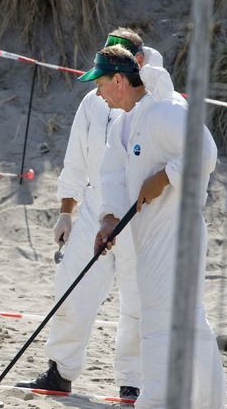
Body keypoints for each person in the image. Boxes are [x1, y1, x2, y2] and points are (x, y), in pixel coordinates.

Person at [15, 29, 161, 400]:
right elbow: (76, 158)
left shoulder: (156, 101)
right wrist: (67, 211)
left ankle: (134, 382)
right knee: (71, 288)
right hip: (96, 207)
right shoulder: (92, 100)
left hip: (138, 213)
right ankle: (60, 371)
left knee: (136, 298)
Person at [87, 45, 225, 408]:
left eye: (100, 84)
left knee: (165, 323)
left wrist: (164, 177)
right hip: (147, 239)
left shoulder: (166, 111)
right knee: (180, 320)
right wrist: (108, 219)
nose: (98, 93)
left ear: (119, 81)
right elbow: (114, 173)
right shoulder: (125, 121)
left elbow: (205, 152)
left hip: (178, 237)